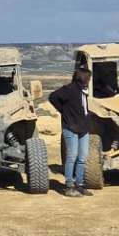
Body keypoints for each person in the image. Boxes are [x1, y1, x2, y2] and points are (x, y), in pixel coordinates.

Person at [46, 68, 94, 197]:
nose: (90, 80)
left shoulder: (84, 90)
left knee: (82, 157)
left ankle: (79, 183)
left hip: (83, 128)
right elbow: (52, 97)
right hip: (71, 127)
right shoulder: (70, 89)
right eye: (89, 77)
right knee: (72, 156)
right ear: (84, 78)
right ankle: (69, 185)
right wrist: (63, 110)